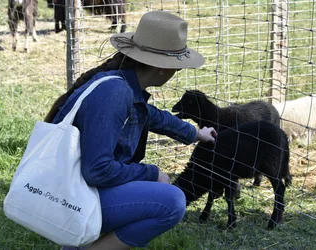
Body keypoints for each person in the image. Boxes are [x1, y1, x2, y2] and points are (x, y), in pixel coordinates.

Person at [45, 10, 217, 250]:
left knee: (156, 191)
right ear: (162, 69)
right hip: (67, 197)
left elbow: (152, 116)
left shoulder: (123, 84)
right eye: (177, 67)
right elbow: (97, 170)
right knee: (172, 201)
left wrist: (195, 133)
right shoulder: (114, 94)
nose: (177, 72)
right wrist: (152, 173)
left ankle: (79, 243)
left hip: (72, 188)